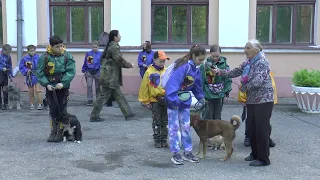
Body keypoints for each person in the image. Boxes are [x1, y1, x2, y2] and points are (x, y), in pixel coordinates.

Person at [212, 39, 274, 166]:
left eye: (248, 48)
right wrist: (218, 71)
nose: (245, 51)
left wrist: (244, 87)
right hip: (251, 100)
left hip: (263, 100)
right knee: (252, 128)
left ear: (256, 50)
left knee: (261, 129)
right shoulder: (248, 62)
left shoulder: (262, 62)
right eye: (245, 47)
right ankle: (255, 154)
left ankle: (263, 159)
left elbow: (258, 81)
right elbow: (234, 72)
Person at [165, 45, 206, 165]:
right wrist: (174, 101)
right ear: (194, 56)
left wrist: (201, 98)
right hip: (174, 102)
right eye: (200, 59)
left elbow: (197, 86)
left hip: (184, 101)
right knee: (174, 128)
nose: (201, 62)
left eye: (203, 60)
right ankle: (175, 153)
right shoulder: (184, 67)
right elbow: (172, 85)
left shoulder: (196, 69)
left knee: (186, 127)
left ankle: (187, 152)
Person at [36, 35, 76, 142]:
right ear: (51, 46)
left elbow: (71, 71)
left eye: (61, 46)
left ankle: (62, 132)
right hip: (50, 88)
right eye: (57, 47)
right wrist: (46, 84)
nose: (60, 48)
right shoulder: (44, 57)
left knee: (62, 110)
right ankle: (53, 131)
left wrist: (63, 83)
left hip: (63, 88)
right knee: (53, 110)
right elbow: (40, 72)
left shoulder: (67, 56)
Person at [90, 30, 135, 122]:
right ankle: (94, 115)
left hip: (109, 76)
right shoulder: (114, 47)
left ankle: (128, 113)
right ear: (115, 37)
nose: (120, 36)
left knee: (118, 95)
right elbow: (119, 60)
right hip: (110, 77)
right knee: (104, 97)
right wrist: (129, 65)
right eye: (119, 35)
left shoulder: (110, 45)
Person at [138, 50, 170, 148]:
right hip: (155, 101)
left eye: (164, 61)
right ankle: (157, 140)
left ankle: (164, 140)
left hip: (165, 100)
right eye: (160, 61)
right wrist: (145, 101)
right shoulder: (149, 72)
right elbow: (144, 87)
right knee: (157, 121)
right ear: (154, 60)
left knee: (165, 121)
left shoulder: (167, 70)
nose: (162, 63)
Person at [199, 44, 232, 120]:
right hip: (208, 93)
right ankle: (208, 131)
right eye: (213, 56)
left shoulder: (224, 66)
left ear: (220, 54)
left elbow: (227, 79)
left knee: (217, 116)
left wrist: (226, 93)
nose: (215, 58)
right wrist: (201, 93)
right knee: (208, 115)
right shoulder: (205, 65)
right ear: (210, 54)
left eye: (217, 56)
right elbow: (201, 79)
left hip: (220, 94)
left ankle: (217, 131)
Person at [19, 45, 43, 110]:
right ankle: (32, 103)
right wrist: (26, 70)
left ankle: (40, 103)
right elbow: (21, 67)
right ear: (28, 51)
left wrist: (39, 72)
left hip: (37, 76)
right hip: (29, 76)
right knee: (31, 91)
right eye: (31, 51)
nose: (33, 52)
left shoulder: (38, 58)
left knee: (37, 90)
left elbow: (42, 66)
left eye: (34, 50)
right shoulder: (25, 59)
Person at [82, 41, 102, 106]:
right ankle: (90, 99)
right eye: (93, 47)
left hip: (97, 72)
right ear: (92, 47)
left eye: (96, 47)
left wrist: (101, 69)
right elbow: (86, 62)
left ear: (98, 47)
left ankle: (99, 99)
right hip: (89, 72)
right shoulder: (89, 53)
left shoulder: (100, 54)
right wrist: (84, 69)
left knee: (97, 87)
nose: (94, 48)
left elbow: (102, 63)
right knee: (89, 85)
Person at [0, 44, 13, 110]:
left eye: (9, 52)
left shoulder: (8, 56)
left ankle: (5, 103)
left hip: (5, 74)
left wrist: (11, 75)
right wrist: (1, 68)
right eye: (7, 52)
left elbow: (10, 65)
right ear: (3, 50)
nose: (8, 54)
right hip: (0, 73)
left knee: (5, 89)